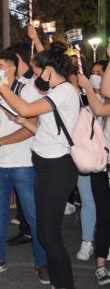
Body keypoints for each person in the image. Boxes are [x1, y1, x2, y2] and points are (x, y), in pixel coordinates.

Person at [0, 42, 79, 289]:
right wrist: (23, 121)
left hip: (57, 169)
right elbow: (43, 128)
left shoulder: (64, 91)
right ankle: (57, 283)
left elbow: (26, 107)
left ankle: (63, 284)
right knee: (46, 233)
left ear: (50, 70)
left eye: (39, 72)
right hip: (46, 168)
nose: (36, 77)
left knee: (49, 235)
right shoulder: (55, 93)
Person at [0, 50, 49, 284]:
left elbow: (31, 126)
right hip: (0, 164)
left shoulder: (28, 90)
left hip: (25, 166)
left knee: (33, 217)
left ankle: (42, 262)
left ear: (10, 69)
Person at [78, 71, 110, 285]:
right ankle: (100, 263)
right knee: (105, 216)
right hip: (104, 168)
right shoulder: (100, 104)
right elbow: (101, 101)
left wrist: (88, 86)